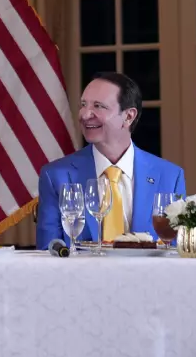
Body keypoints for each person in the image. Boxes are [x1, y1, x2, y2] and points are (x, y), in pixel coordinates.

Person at [36, 73, 185, 248]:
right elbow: (47, 251)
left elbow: (177, 251)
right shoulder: (55, 176)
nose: (85, 114)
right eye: (83, 105)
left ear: (128, 116)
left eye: (98, 106)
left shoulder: (170, 176)